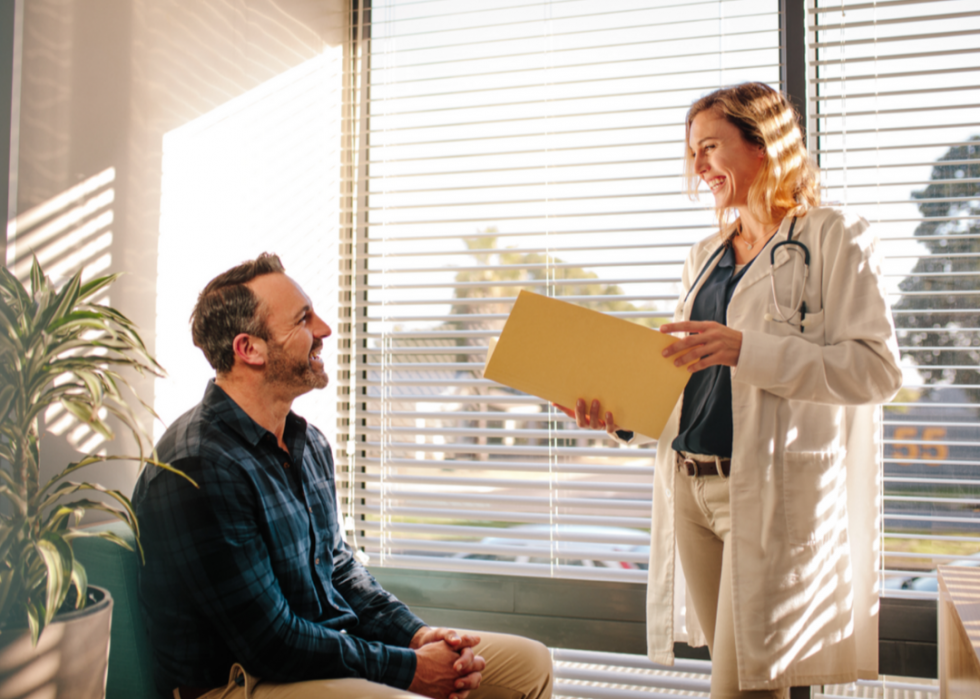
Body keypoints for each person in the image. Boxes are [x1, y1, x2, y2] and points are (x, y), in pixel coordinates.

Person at [561, 83, 902, 697]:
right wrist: (618, 414)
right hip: (691, 488)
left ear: (764, 145)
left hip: (770, 492)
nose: (698, 168)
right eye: (693, 152)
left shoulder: (834, 236)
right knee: (744, 681)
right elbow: (691, 377)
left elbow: (875, 371)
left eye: (711, 147)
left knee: (744, 689)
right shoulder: (704, 255)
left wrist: (750, 350)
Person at [133, 254, 553, 699]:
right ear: (249, 349)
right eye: (303, 319)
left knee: (530, 664)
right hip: (236, 682)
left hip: (316, 656)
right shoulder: (197, 465)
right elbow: (269, 643)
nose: (324, 329)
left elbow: (338, 567)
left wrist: (415, 637)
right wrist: (408, 669)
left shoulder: (307, 443)